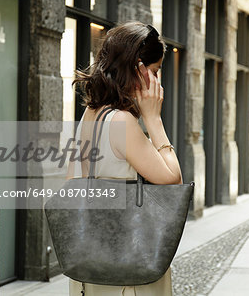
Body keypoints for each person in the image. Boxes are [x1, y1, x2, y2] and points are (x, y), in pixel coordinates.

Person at [66, 21, 182, 296]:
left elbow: (72, 184)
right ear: (137, 70)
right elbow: (173, 181)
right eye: (154, 72)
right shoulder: (122, 122)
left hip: (93, 263)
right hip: (128, 268)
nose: (157, 82)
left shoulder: (90, 115)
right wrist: (154, 119)